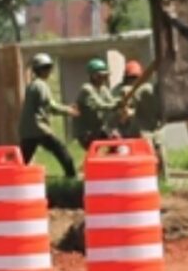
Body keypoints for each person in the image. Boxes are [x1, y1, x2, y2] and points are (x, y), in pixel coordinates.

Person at [16, 53, 78, 181]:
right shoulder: (41, 85)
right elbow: (50, 106)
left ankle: (12, 181)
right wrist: (69, 110)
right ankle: (72, 178)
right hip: (39, 128)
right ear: (40, 70)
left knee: (22, 161)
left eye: (49, 68)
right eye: (46, 68)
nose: (48, 71)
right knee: (61, 151)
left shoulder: (32, 85)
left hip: (26, 130)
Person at [73, 56, 124, 149]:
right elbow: (99, 105)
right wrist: (115, 105)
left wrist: (121, 101)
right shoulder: (87, 89)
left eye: (105, 76)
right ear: (93, 76)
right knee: (96, 152)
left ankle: (112, 158)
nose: (104, 79)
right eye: (101, 76)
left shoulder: (103, 89)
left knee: (117, 142)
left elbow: (111, 101)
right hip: (86, 133)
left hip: (98, 129)